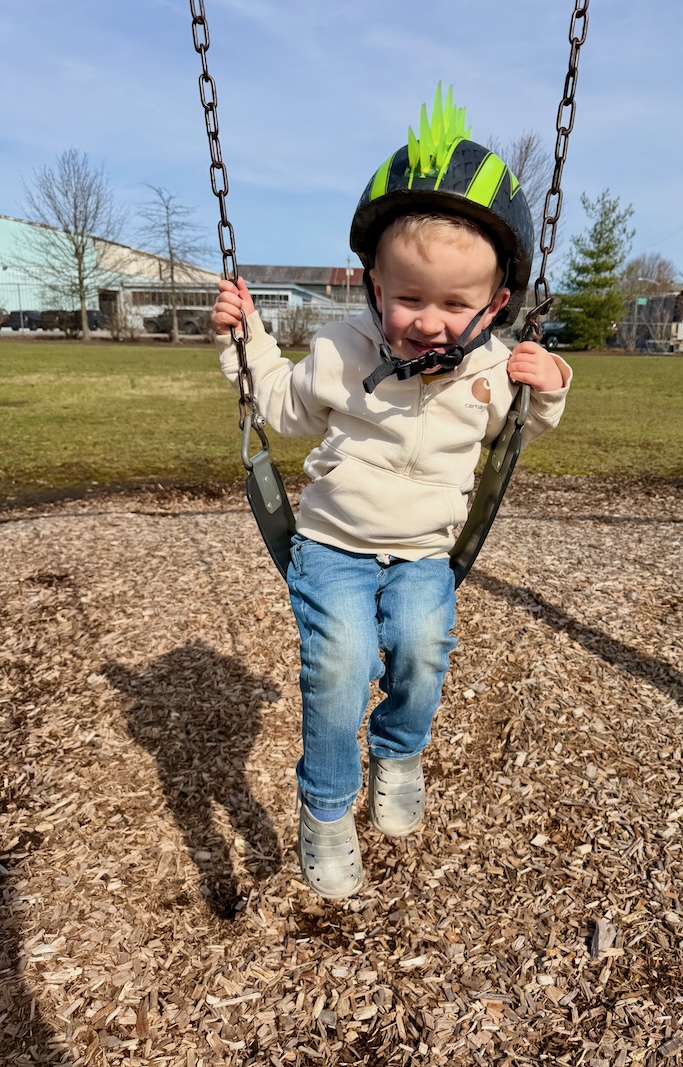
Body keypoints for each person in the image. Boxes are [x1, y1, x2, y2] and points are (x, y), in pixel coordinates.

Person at [212, 89, 572, 900]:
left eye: (455, 304)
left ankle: (399, 751)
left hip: (424, 552)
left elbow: (522, 428)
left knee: (419, 648)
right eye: (409, 297)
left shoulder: (490, 365)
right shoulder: (341, 350)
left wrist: (547, 384)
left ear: (496, 305)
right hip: (333, 545)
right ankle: (328, 808)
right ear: (375, 285)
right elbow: (279, 405)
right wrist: (249, 338)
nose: (430, 322)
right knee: (338, 664)